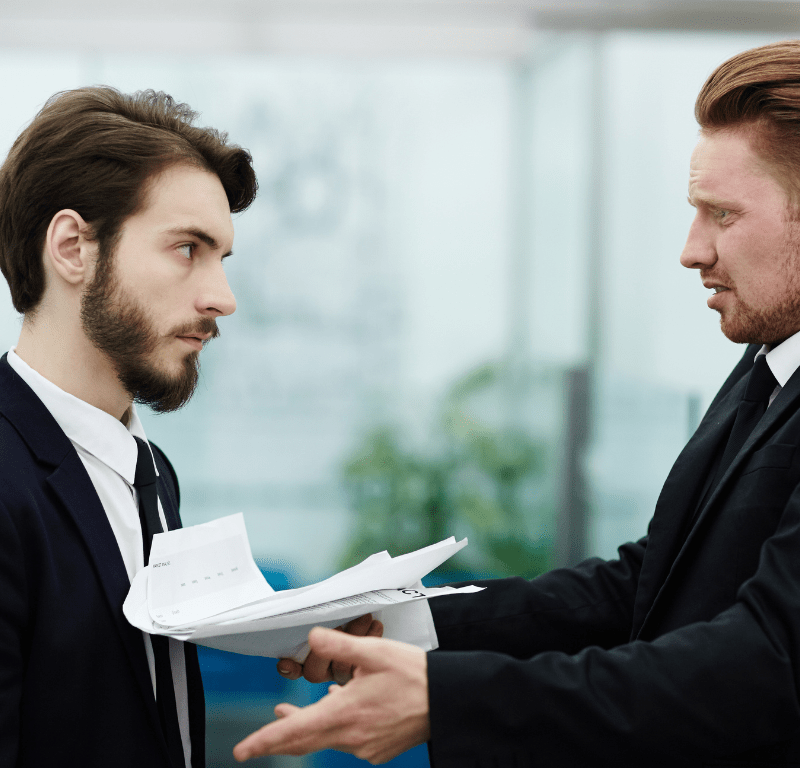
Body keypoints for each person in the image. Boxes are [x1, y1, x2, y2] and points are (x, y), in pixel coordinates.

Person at [233, 38, 800, 767]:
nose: (691, 250)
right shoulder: (766, 363)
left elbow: (766, 666)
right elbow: (648, 585)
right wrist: (407, 623)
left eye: (722, 215)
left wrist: (445, 697)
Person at [0, 87, 257, 767]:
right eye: (187, 249)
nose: (222, 299)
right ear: (73, 248)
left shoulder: (151, 472)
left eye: (221, 259)